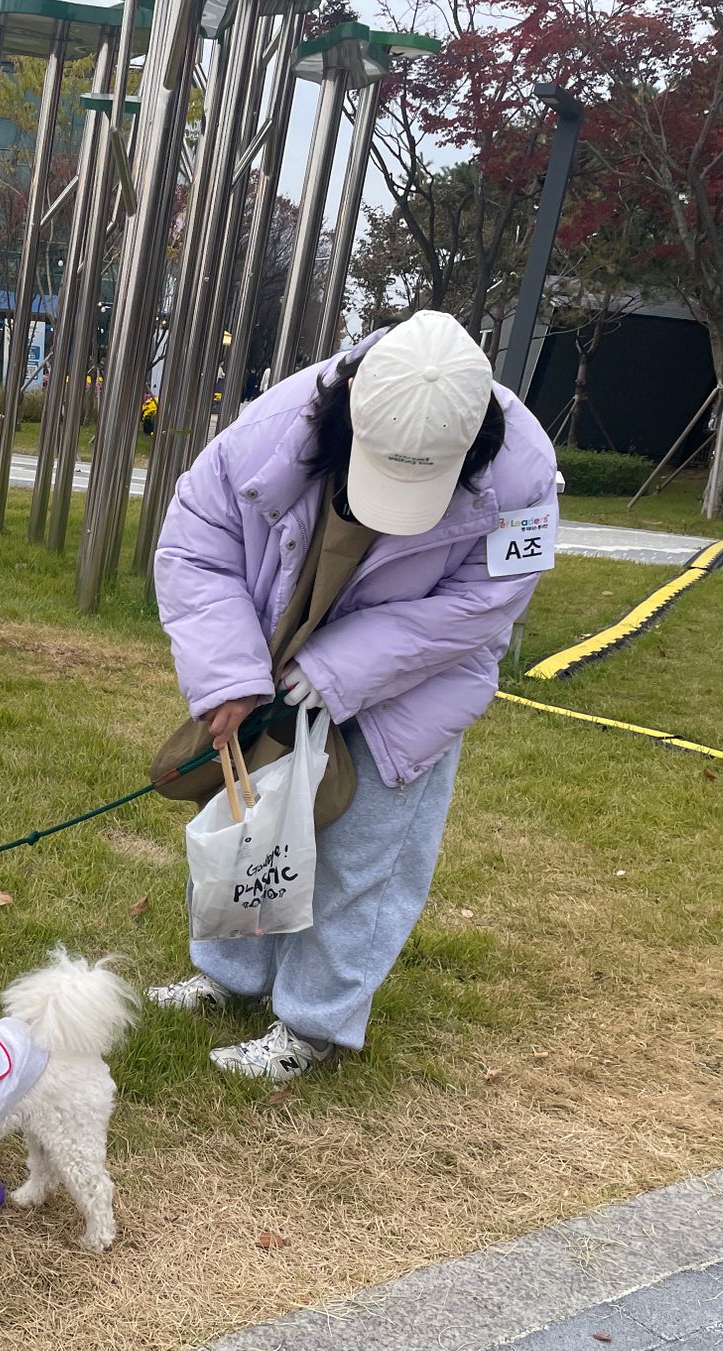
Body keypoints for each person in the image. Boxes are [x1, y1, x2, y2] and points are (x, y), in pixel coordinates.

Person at [149, 310, 556, 1081]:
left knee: (363, 853)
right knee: (252, 820)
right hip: (279, 655)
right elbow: (196, 546)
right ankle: (229, 977)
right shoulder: (271, 427)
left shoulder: (525, 479)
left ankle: (315, 1025)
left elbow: (485, 604)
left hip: (416, 689)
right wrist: (231, 676)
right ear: (348, 419)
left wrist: (339, 673)